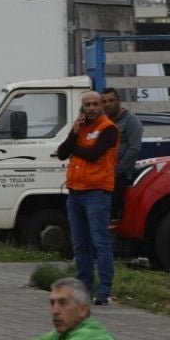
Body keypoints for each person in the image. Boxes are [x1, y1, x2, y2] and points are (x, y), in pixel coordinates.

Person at [57, 90, 118, 305]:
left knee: (100, 242)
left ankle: (103, 289)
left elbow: (94, 155)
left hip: (97, 192)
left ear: (102, 106)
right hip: (76, 192)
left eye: (95, 104)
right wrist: (74, 134)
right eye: (87, 105)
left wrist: (75, 146)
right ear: (82, 107)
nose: (91, 108)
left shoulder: (108, 128)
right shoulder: (80, 128)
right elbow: (62, 152)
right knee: (80, 243)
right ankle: (83, 286)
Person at [102, 87, 144, 220]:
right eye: (104, 101)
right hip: (104, 172)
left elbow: (134, 148)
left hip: (120, 175)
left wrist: (118, 170)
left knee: (114, 212)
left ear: (119, 101)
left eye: (111, 100)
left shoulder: (131, 120)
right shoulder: (104, 121)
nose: (108, 104)